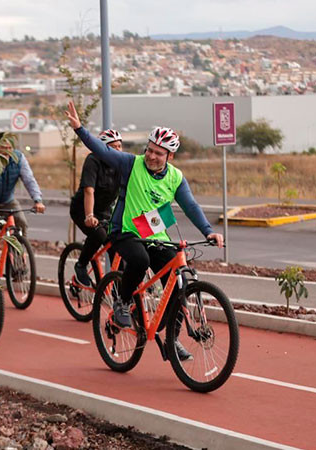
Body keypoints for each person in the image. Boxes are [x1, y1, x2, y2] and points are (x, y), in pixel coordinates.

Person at [65, 102, 223, 359]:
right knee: (139, 260)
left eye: (159, 153)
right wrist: (80, 129)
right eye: (150, 150)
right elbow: (101, 151)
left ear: (169, 157)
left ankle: (171, 340)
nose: (151, 156)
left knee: (177, 284)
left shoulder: (176, 177)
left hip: (155, 234)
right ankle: (123, 302)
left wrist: (208, 231)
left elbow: (191, 206)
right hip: (125, 231)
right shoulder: (131, 164)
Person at [69, 129, 123, 288]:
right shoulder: (93, 160)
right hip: (83, 209)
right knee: (99, 235)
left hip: (105, 211)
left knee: (118, 245)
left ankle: (118, 289)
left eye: (120, 146)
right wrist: (89, 215)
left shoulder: (122, 164)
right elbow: (89, 191)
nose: (118, 150)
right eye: (113, 147)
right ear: (103, 148)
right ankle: (81, 266)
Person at [0, 132, 45, 237]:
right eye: (3, 148)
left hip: (7, 200)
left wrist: (38, 200)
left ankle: (20, 250)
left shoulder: (18, 158)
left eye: (9, 148)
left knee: (21, 222)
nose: (7, 151)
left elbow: (29, 180)